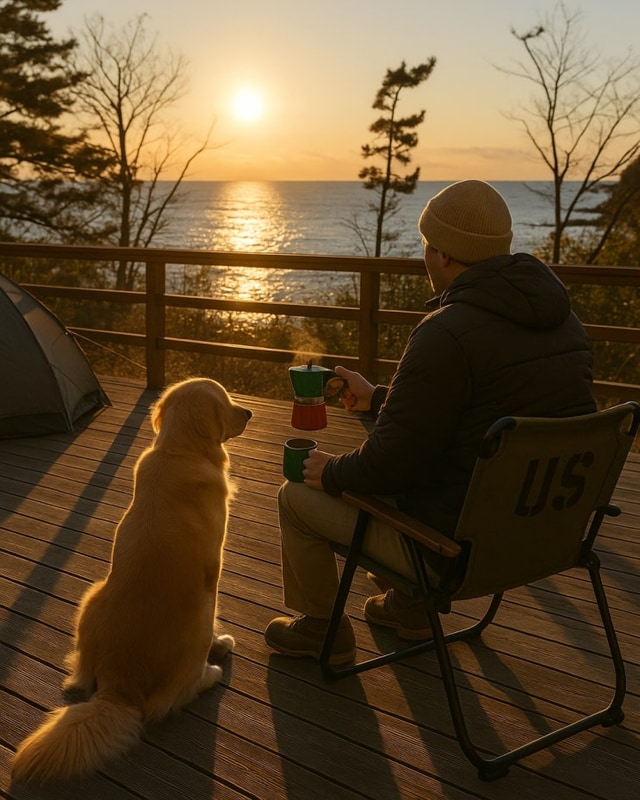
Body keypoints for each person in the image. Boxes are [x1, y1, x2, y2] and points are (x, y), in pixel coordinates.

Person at [264, 179, 597, 666]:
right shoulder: (567, 324)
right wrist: (380, 398)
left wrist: (328, 471)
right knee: (438, 475)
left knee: (295, 496)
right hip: (544, 539)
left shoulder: (446, 332)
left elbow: (388, 466)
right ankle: (409, 608)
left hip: (450, 553)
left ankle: (322, 631)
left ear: (441, 253)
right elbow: (476, 412)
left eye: (425, 242)